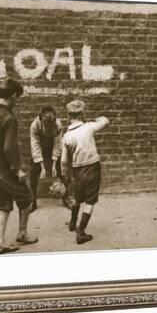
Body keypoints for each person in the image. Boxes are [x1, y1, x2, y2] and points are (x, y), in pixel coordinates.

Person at [0, 79, 38, 255]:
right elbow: (9, 147)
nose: (17, 101)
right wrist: (17, 169)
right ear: (14, 96)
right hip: (5, 170)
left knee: (4, 204)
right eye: (18, 98)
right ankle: (22, 233)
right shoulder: (9, 118)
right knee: (28, 199)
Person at [61, 100, 110, 244]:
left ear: (68, 115)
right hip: (93, 168)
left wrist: (65, 175)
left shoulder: (66, 136)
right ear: (82, 113)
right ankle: (81, 232)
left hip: (78, 171)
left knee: (77, 198)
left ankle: (72, 222)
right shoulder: (89, 127)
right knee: (90, 201)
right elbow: (105, 120)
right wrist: (95, 119)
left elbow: (64, 160)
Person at [29, 106, 71, 210]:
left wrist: (54, 164)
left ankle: (66, 198)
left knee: (62, 170)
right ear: (40, 118)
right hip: (40, 149)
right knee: (33, 172)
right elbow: (35, 145)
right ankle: (32, 201)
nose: (48, 127)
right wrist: (42, 167)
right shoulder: (34, 125)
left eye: (50, 124)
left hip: (53, 147)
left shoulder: (57, 125)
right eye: (46, 124)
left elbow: (58, 143)